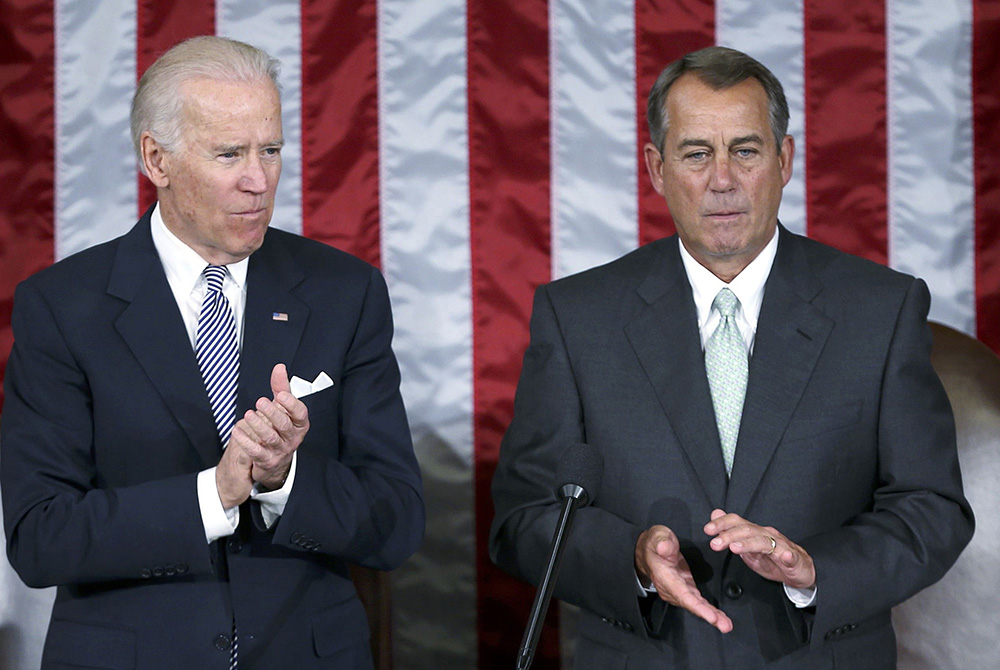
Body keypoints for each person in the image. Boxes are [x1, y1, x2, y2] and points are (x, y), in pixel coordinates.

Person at [490, 46, 973, 669]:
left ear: (784, 160)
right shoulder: (579, 316)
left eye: (745, 150)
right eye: (697, 154)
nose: (723, 178)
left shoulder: (879, 310)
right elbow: (525, 518)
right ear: (657, 169)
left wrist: (814, 569)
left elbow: (932, 508)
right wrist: (633, 559)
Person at [1, 36, 423, 669]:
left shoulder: (346, 293)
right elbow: (41, 537)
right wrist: (215, 494)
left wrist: (284, 479)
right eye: (230, 154)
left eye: (272, 150)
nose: (259, 181)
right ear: (157, 160)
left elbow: (395, 523)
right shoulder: (62, 308)